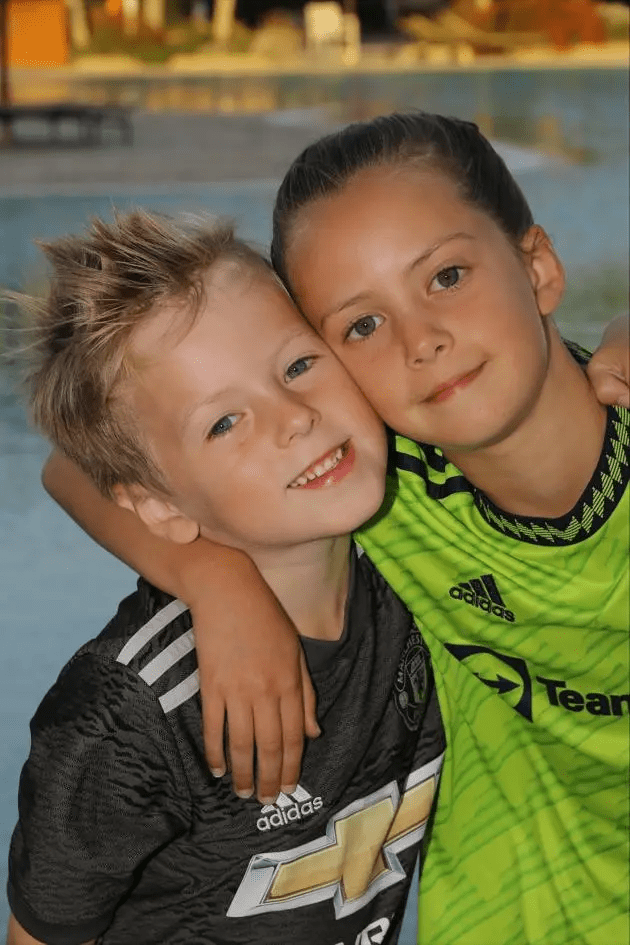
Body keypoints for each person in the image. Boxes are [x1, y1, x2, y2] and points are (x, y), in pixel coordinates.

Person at [39, 113, 629, 945]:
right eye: (359, 326)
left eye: (448, 275)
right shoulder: (382, 495)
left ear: (537, 265)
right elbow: (74, 466)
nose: (421, 341)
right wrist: (217, 582)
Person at [6, 210, 446, 945]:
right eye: (224, 422)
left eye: (299, 365)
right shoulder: (129, 717)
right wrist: (213, 580)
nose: (294, 419)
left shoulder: (424, 565)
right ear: (156, 505)